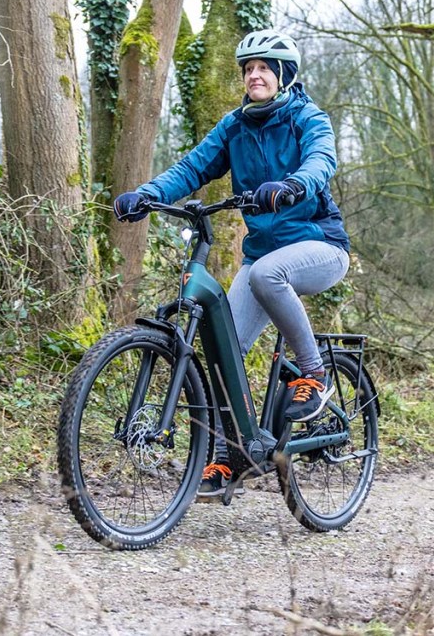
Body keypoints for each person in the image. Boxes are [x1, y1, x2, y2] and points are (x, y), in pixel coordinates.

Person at [113, 29, 350, 498]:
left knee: (268, 273)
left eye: (264, 67)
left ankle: (314, 373)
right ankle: (228, 459)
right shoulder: (235, 126)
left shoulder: (308, 117)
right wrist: (147, 194)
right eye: (248, 69)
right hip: (264, 255)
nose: (255, 75)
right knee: (224, 355)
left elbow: (322, 160)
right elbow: (192, 167)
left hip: (321, 247)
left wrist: (295, 185)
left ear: (284, 75)